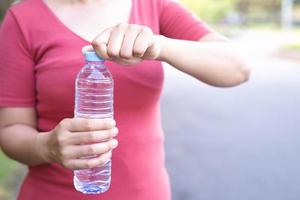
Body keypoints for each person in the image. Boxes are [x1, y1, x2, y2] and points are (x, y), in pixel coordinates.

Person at [0, 0, 250, 199]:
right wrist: (47, 147)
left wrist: (159, 46)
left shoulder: (154, 5)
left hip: (146, 193)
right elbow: (10, 129)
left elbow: (238, 67)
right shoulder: (23, 18)